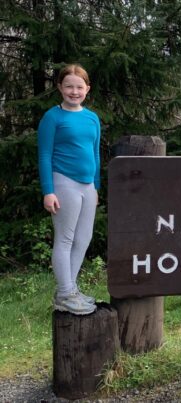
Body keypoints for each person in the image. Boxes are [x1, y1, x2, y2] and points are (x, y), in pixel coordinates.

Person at [37, 64, 100, 315]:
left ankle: (70, 289)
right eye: (69, 86)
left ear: (87, 89)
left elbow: (94, 152)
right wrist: (48, 190)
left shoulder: (92, 118)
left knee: (83, 239)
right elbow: (44, 154)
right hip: (63, 182)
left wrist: (96, 186)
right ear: (60, 88)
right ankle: (65, 293)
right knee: (65, 239)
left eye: (79, 87)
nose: (74, 91)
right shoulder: (53, 117)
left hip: (87, 186)